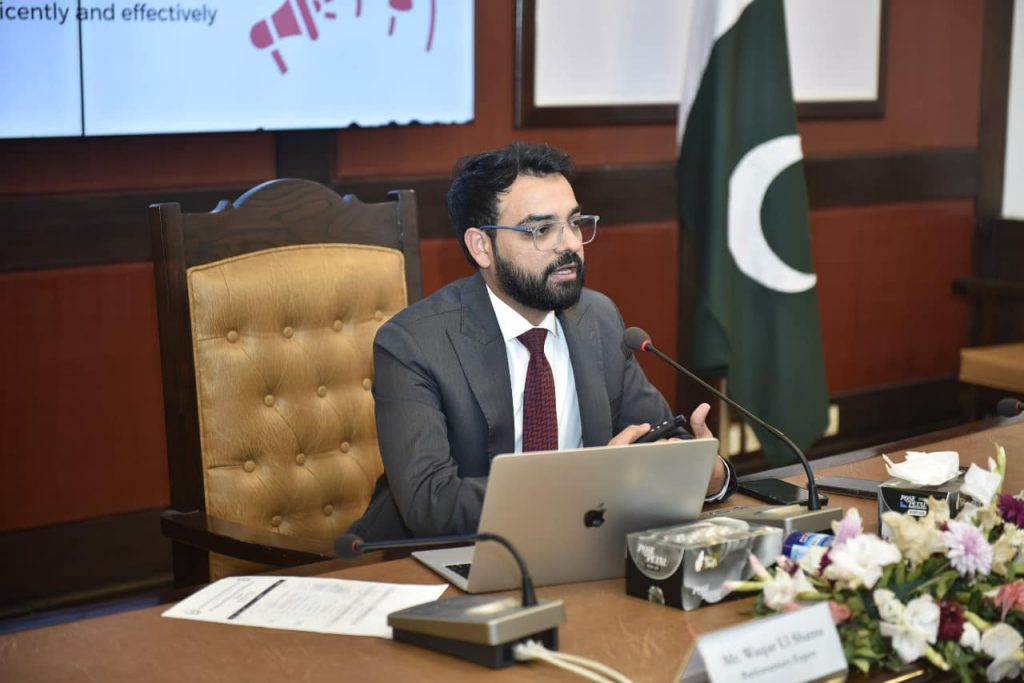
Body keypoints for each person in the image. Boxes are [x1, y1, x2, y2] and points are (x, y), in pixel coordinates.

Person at [349, 142, 735, 541]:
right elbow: (432, 504)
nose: (569, 244)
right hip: (450, 554)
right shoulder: (414, 344)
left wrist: (709, 474)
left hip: (582, 544)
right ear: (482, 247)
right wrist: (589, 484)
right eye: (540, 229)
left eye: (574, 222)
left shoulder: (599, 319)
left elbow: (659, 440)